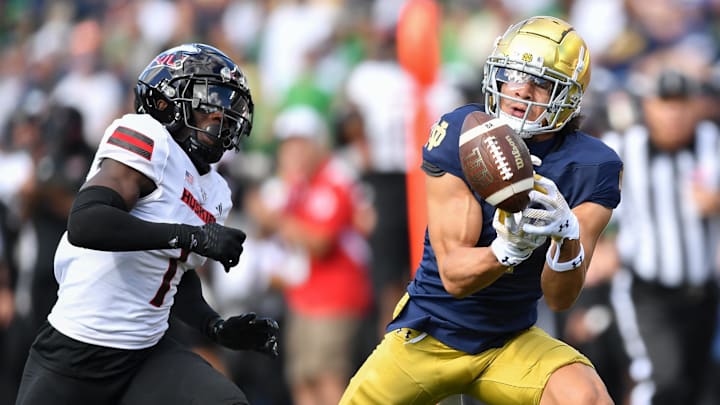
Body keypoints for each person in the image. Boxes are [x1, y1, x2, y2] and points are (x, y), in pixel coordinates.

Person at [340, 16, 622, 405]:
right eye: (511, 74)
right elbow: (454, 275)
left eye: (540, 82)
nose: (519, 90)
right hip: (429, 334)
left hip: (509, 339)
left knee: (585, 397)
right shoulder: (462, 132)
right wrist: (509, 249)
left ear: (569, 96)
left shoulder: (593, 166)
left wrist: (567, 234)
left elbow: (560, 298)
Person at [14, 43, 279, 405]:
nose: (223, 114)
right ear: (166, 100)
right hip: (75, 353)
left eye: (228, 106)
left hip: (146, 355)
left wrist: (214, 326)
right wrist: (193, 236)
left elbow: (173, 273)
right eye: (210, 100)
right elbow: (87, 222)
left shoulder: (216, 190)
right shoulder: (148, 138)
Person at [603, 57, 720, 405]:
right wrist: (602, 241)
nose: (673, 115)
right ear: (648, 107)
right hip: (647, 291)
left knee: (696, 388)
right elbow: (589, 204)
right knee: (659, 381)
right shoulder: (622, 147)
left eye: (681, 104)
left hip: (703, 292)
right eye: (664, 104)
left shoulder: (712, 142)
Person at [245, 105, 373, 405]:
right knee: (302, 380)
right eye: (288, 144)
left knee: (329, 379)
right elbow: (267, 232)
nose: (292, 152)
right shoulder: (299, 184)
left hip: (334, 298)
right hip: (304, 296)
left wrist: (272, 217)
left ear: (317, 143)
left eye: (299, 143)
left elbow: (319, 241)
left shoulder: (335, 180)